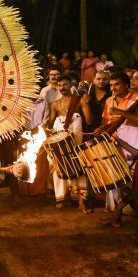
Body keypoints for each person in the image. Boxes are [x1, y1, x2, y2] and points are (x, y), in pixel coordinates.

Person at [98, 70, 138, 239]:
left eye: (137, 78)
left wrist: (121, 112)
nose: (133, 80)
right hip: (123, 146)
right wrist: (105, 128)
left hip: (137, 150)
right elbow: (127, 121)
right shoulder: (134, 99)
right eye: (133, 78)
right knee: (122, 183)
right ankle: (117, 214)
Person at [48, 75, 92, 213]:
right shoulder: (55, 104)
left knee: (79, 164)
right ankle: (61, 198)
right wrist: (46, 127)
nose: (62, 88)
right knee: (58, 164)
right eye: (60, 85)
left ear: (71, 85)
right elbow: (50, 122)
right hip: (59, 138)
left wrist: (86, 103)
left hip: (76, 138)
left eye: (65, 85)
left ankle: (81, 199)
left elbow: (89, 121)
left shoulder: (79, 100)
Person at [97, 71, 136, 212]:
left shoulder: (135, 99)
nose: (113, 88)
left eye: (117, 84)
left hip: (131, 144)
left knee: (129, 176)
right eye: (111, 85)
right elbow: (107, 120)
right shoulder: (109, 100)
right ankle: (115, 209)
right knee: (113, 174)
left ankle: (130, 210)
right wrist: (101, 128)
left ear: (126, 84)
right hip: (112, 142)